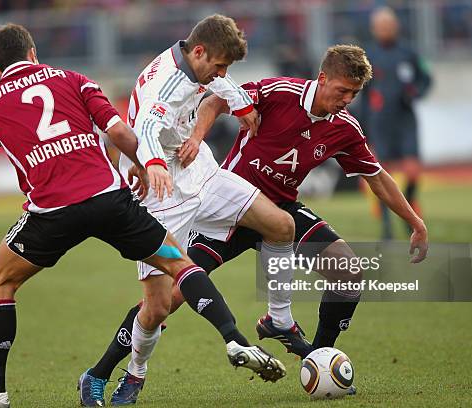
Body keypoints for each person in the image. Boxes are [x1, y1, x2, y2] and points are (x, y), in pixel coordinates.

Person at [0, 23, 284, 408]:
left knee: (1, 282)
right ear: (34, 53)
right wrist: (144, 162)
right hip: (113, 203)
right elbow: (123, 131)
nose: (221, 72)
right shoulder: (74, 79)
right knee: (178, 269)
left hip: (54, 214)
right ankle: (226, 338)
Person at [89, 44, 429, 399]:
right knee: (164, 302)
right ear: (323, 78)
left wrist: (415, 222)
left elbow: (376, 177)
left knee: (348, 272)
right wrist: (197, 136)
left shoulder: (345, 128)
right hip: (228, 210)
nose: (346, 99)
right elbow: (218, 100)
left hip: (281, 207)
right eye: (342, 90)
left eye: (354, 94)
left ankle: (317, 359)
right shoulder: (281, 92)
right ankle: (103, 370)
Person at [79, 14, 304, 406]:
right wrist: (148, 164)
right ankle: (130, 375)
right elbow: (146, 128)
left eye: (226, 67)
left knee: (281, 225)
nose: (221, 72)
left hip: (201, 173)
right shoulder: (165, 87)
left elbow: (218, 79)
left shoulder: (197, 62)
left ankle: (279, 319)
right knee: (158, 307)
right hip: (159, 189)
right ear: (197, 51)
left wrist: (241, 103)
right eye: (218, 65)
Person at [362, 6, 432, 240]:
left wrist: (416, 92)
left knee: (412, 171)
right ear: (374, 30)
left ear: (396, 27)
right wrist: (364, 133)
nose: (385, 30)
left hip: (405, 120)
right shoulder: (368, 57)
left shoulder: (409, 53)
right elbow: (362, 95)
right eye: (381, 27)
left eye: (389, 26)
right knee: (382, 175)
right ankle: (386, 227)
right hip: (380, 122)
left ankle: (409, 207)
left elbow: (426, 79)